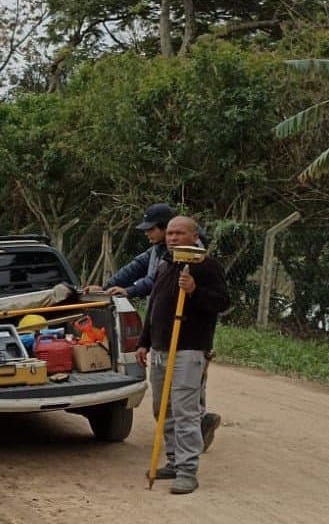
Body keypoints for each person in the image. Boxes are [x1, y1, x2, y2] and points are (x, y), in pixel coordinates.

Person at [86, 203, 222, 450]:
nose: (149, 234)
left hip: (191, 335)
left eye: (153, 229)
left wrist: (130, 290)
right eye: (169, 234)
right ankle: (180, 447)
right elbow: (137, 271)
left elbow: (151, 282)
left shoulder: (200, 261)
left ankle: (191, 447)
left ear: (191, 235)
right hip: (162, 331)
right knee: (167, 402)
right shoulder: (158, 252)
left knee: (187, 393)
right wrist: (105, 287)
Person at [135, 216, 230, 494]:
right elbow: (154, 305)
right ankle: (174, 461)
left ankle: (188, 470)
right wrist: (144, 341)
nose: (173, 237)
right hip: (162, 349)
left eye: (179, 233)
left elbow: (222, 303)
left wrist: (194, 291)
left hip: (188, 350)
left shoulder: (207, 266)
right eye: (170, 233)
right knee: (162, 409)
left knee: (185, 410)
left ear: (193, 235)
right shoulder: (167, 264)